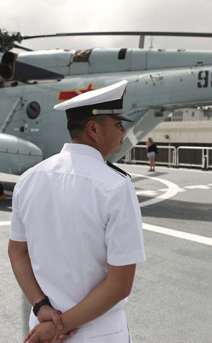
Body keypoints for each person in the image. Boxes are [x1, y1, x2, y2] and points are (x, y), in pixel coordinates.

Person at [9, 80, 145, 343]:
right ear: (93, 128)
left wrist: (41, 309)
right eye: (118, 124)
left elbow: (17, 251)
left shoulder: (28, 179)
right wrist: (61, 326)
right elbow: (119, 285)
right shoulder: (115, 186)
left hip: (41, 329)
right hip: (98, 332)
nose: (123, 131)